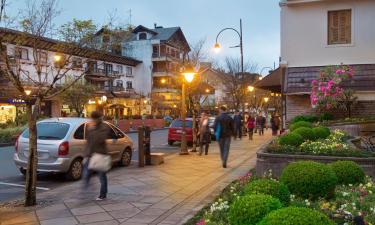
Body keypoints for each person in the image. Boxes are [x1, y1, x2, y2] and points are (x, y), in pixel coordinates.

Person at [83, 111, 111, 201]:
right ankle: (85, 191)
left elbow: (100, 139)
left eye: (94, 118)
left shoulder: (104, 127)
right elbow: (89, 142)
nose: (92, 120)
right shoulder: (91, 127)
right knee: (86, 174)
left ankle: (103, 194)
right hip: (91, 155)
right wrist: (86, 155)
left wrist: (93, 129)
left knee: (102, 176)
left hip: (100, 155)